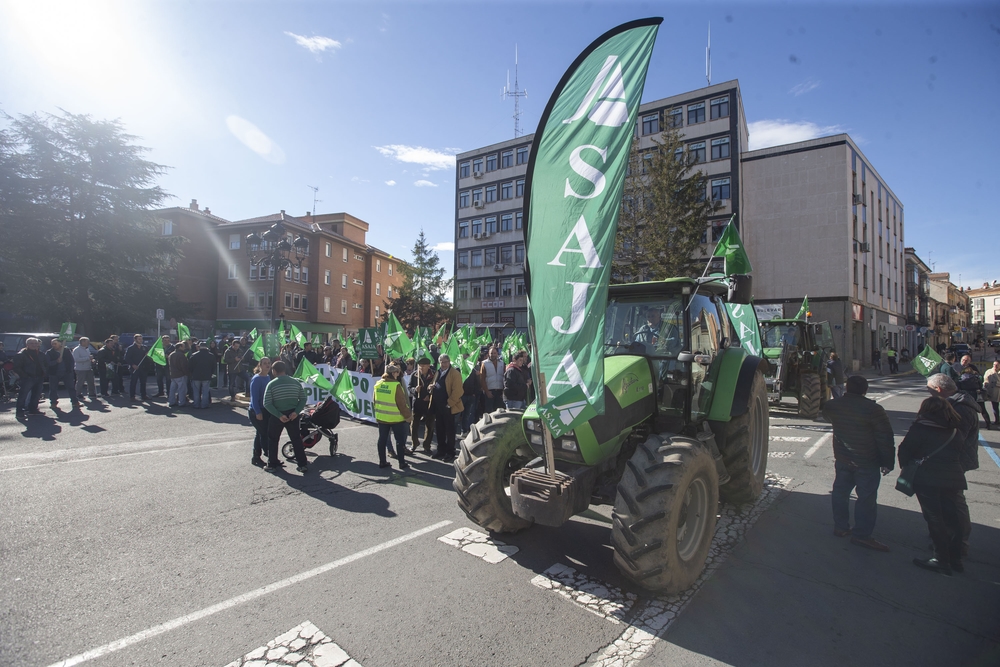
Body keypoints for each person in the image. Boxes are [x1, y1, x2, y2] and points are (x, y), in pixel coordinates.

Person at [821, 375, 896, 551]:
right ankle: (862, 535)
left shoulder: (832, 406)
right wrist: (888, 462)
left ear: (846, 388)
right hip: (867, 460)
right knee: (866, 498)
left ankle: (840, 527)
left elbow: (827, 417)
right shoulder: (874, 409)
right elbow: (885, 437)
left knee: (840, 493)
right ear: (865, 390)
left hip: (843, 457)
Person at [898, 396, 968, 575]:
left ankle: (941, 559)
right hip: (952, 477)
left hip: (927, 479)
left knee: (935, 518)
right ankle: (956, 559)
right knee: (953, 519)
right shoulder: (955, 429)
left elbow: (905, 450)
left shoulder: (921, 427)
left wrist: (908, 467)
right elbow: (961, 450)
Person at [926, 373, 978, 556]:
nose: (929, 394)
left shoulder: (960, 408)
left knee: (954, 503)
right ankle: (946, 538)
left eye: (929, 390)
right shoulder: (954, 404)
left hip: (953, 463)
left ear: (938, 390)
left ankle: (958, 543)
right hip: (948, 461)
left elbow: (955, 439)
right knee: (945, 500)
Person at [263, 360, 309, 473]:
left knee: (273, 440)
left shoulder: (271, 384)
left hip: (277, 415)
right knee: (296, 439)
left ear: (274, 371)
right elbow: (303, 398)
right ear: (284, 369)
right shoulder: (295, 382)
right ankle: (302, 464)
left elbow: (267, 403)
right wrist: (296, 412)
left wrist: (279, 415)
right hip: (293, 414)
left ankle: (272, 464)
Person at [374, 364, 413, 470]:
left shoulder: (378, 384)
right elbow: (402, 403)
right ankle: (401, 463)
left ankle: (382, 462)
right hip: (396, 419)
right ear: (393, 373)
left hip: (382, 417)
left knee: (382, 440)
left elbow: (374, 400)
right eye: (397, 372)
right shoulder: (396, 385)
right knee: (400, 441)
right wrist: (408, 416)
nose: (398, 374)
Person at [429, 353, 463, 461]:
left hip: (449, 406)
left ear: (449, 362)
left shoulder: (455, 373)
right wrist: (431, 387)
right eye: (441, 362)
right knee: (439, 429)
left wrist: (449, 403)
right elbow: (434, 384)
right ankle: (441, 450)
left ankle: (450, 452)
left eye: (445, 362)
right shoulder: (438, 372)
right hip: (438, 406)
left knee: (450, 430)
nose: (443, 364)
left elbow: (458, 391)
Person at [248, 357, 272, 468]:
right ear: (260, 365)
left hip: (265, 410)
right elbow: (254, 397)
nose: (267, 365)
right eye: (265, 363)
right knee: (264, 434)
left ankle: (256, 457)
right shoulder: (257, 379)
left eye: (268, 363)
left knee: (259, 433)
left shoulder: (268, 377)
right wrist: (257, 411)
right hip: (256, 410)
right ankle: (270, 457)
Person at [409, 357, 436, 454]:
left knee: (430, 425)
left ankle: (427, 445)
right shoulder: (414, 375)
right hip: (417, 403)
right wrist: (414, 390)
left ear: (428, 366)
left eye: (423, 366)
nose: (421, 368)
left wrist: (430, 395)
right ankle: (414, 443)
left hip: (429, 404)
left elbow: (438, 388)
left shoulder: (434, 375)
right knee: (414, 425)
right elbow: (409, 387)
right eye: (420, 366)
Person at [14, 338, 46, 418]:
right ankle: (19, 412)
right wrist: (25, 376)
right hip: (28, 378)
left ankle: (33, 410)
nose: (34, 345)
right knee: (23, 395)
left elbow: (45, 364)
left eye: (35, 343)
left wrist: (44, 373)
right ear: (27, 344)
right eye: (32, 343)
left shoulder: (40, 353)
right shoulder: (22, 354)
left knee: (36, 395)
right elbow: (17, 367)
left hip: (39, 377)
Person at [46, 339, 78, 408]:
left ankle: (75, 402)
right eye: (52, 344)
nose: (53, 345)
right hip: (54, 373)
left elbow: (71, 361)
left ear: (60, 344)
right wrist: (56, 362)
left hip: (66, 372)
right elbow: (47, 363)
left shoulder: (66, 351)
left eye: (55, 343)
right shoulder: (49, 352)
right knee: (53, 388)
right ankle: (53, 403)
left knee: (71, 388)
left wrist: (71, 370)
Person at [188, 341, 216, 409]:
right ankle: (204, 404)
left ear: (199, 347)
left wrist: (191, 373)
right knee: (205, 391)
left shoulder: (194, 355)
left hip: (196, 376)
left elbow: (190, 366)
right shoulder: (211, 355)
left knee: (196, 391)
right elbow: (214, 366)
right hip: (207, 375)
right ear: (207, 347)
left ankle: (196, 404)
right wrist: (211, 373)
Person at [479, 346, 505, 414]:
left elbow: (504, 378)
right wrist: (487, 391)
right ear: (488, 354)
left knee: (499, 413)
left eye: (494, 353)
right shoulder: (484, 363)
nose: (493, 355)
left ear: (497, 353)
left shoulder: (502, 363)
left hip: (499, 392)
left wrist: (503, 391)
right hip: (489, 392)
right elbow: (482, 379)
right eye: (491, 353)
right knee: (489, 412)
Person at [124, 334, 150, 401]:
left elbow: (148, 358)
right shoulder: (131, 348)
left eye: (141, 339)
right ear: (135, 340)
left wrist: (148, 355)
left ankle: (143, 395)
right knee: (133, 382)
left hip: (143, 368)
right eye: (139, 339)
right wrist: (133, 365)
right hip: (134, 368)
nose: (140, 340)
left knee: (143, 382)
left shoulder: (145, 347)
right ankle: (132, 396)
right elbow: (127, 358)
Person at [461, 356, 482, 436]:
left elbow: (477, 383)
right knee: (458, 414)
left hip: (471, 395)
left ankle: (464, 430)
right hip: (462, 395)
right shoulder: (460, 370)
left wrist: (474, 393)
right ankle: (454, 431)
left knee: (467, 414)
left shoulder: (473, 370)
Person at [167, 341, 189, 407]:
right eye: (183, 346)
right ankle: (181, 402)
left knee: (172, 389)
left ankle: (171, 401)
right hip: (180, 374)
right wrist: (187, 373)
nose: (184, 348)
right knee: (181, 389)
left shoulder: (171, 354)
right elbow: (183, 366)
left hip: (173, 374)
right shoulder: (181, 355)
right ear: (180, 347)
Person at [982, 361, 1000, 427]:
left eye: (997, 365)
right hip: (991, 390)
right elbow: (985, 380)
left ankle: (997, 420)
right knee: (994, 406)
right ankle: (996, 420)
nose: (995, 366)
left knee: (996, 406)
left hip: (998, 391)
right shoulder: (989, 371)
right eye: (994, 364)